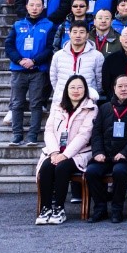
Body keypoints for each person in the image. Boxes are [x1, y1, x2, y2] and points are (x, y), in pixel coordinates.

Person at [34, 75, 98, 225]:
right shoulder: (57, 107)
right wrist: (54, 152)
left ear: (85, 90)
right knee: (46, 167)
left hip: (78, 153)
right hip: (54, 151)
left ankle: (59, 209)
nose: (76, 91)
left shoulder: (91, 108)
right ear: (66, 90)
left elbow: (84, 135)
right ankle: (46, 208)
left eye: (80, 87)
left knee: (62, 168)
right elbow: (48, 131)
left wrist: (65, 154)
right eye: (72, 87)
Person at [85, 75, 127, 224]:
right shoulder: (105, 107)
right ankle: (100, 208)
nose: (123, 89)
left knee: (120, 171)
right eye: (120, 86)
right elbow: (97, 133)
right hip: (105, 154)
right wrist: (98, 152)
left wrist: (125, 153)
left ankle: (117, 209)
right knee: (92, 172)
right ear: (114, 88)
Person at [7, 0, 58, 146]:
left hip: (38, 70)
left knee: (36, 104)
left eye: (38, 5)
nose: (35, 8)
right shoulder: (17, 25)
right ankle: (17, 135)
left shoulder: (49, 25)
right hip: (18, 70)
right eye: (32, 5)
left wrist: (34, 61)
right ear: (27, 7)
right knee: (17, 103)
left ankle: (32, 135)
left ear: (43, 7)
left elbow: (50, 48)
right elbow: (9, 46)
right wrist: (19, 60)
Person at [48, 21, 104, 106]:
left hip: (87, 102)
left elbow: (99, 81)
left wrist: (91, 93)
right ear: (69, 34)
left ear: (87, 35)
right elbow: (54, 79)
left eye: (82, 32)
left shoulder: (97, 56)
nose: (78, 35)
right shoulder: (58, 55)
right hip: (62, 101)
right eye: (74, 32)